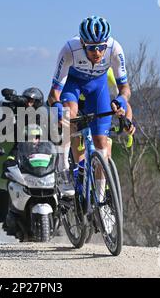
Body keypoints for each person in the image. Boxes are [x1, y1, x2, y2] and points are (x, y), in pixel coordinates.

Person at [47, 15, 135, 198]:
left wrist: (120, 101)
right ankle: (63, 169)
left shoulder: (115, 49)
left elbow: (125, 89)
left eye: (101, 47)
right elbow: (53, 93)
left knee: (101, 144)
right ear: (82, 43)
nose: (97, 52)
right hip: (73, 84)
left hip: (98, 86)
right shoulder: (69, 50)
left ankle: (100, 199)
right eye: (92, 48)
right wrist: (56, 107)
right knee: (67, 113)